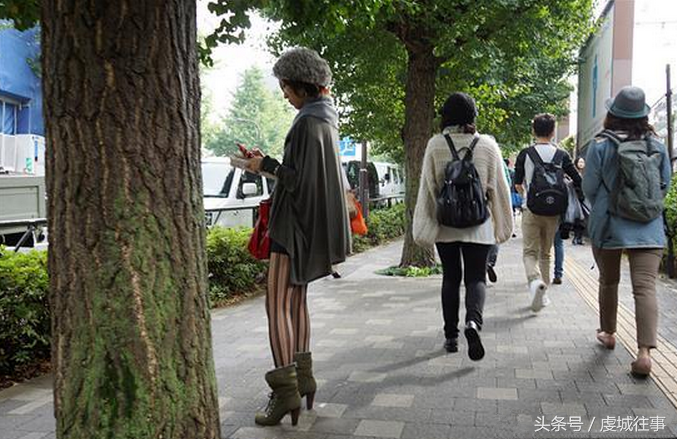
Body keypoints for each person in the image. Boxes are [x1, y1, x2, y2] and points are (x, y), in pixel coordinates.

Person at [244, 47, 351, 425]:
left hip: (292, 227)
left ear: (301, 85)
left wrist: (264, 165)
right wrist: (269, 163)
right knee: (296, 304)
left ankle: (284, 393)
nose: (284, 94)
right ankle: (304, 380)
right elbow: (308, 173)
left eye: (285, 87)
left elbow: (297, 179)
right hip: (312, 227)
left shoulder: (306, 121)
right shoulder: (326, 117)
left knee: (276, 307)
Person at [413, 92, 512, 360]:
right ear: (472, 117)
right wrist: (503, 226)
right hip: (479, 226)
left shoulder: (435, 145)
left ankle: (451, 338)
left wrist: (428, 224)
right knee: (476, 278)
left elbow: (429, 189)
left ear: (445, 116)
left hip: (446, 225)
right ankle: (472, 323)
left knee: (450, 278)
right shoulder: (488, 145)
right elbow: (499, 189)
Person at [583, 86, 671, 377]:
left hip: (609, 225)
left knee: (609, 281)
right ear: (643, 116)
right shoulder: (657, 146)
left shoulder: (599, 146)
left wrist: (608, 206)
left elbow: (590, 189)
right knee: (645, 288)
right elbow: (664, 187)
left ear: (613, 114)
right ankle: (644, 353)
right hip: (649, 226)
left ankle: (608, 333)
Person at [514, 114, 581, 312]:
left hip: (531, 209)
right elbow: (578, 180)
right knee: (546, 253)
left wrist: (526, 193)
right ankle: (543, 296)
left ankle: (535, 282)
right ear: (553, 132)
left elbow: (517, 184)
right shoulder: (562, 154)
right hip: (554, 211)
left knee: (529, 252)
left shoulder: (525, 154)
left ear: (534, 131)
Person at [572, 157, 587, 245]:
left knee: (583, 219)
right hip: (576, 198)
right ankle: (576, 237)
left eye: (583, 162)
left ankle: (580, 237)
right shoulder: (574, 174)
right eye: (580, 162)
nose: (581, 164)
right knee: (577, 218)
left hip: (584, 199)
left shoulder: (586, 174)